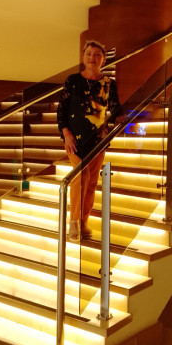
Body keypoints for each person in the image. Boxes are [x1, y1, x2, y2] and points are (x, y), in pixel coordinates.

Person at [57, 40, 124, 241]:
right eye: (88, 53)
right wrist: (66, 134)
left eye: (97, 54)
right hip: (74, 139)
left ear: (103, 59)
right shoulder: (73, 80)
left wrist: (121, 118)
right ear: (83, 57)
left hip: (98, 140)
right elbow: (62, 110)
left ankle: (84, 221)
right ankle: (74, 221)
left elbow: (115, 106)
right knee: (81, 175)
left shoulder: (109, 83)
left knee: (92, 181)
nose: (92, 57)